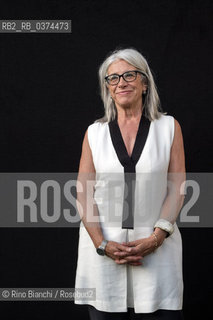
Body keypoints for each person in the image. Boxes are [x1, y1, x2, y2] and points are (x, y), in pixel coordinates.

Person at [74, 48, 185, 320]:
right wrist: (102, 244)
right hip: (102, 253)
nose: (121, 82)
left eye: (129, 75)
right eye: (112, 78)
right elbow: (83, 192)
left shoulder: (169, 127)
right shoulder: (94, 133)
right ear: (108, 89)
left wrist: (157, 238)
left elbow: (178, 187)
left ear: (145, 83)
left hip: (156, 253)